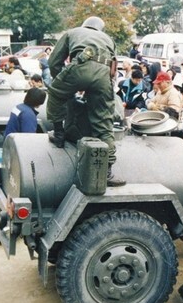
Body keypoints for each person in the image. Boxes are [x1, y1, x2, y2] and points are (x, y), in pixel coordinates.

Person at [46, 16, 125, 187]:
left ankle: (59, 135)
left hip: (80, 66)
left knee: (55, 94)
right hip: (104, 75)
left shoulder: (72, 32)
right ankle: (108, 171)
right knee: (104, 122)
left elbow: (54, 62)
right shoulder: (109, 39)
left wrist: (63, 82)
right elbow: (113, 69)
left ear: (85, 25)